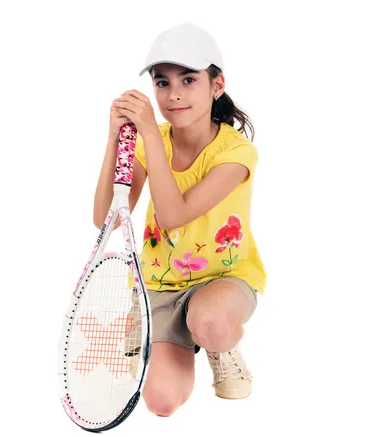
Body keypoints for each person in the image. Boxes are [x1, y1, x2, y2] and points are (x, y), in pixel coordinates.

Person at [92, 22, 267, 417]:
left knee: (211, 323)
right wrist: (114, 139)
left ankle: (218, 343)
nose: (173, 95)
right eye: (162, 82)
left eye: (189, 80)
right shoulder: (147, 140)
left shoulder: (236, 153)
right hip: (159, 285)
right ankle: (172, 332)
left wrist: (150, 134)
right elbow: (106, 220)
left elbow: (173, 217)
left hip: (223, 279)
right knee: (162, 402)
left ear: (216, 85)